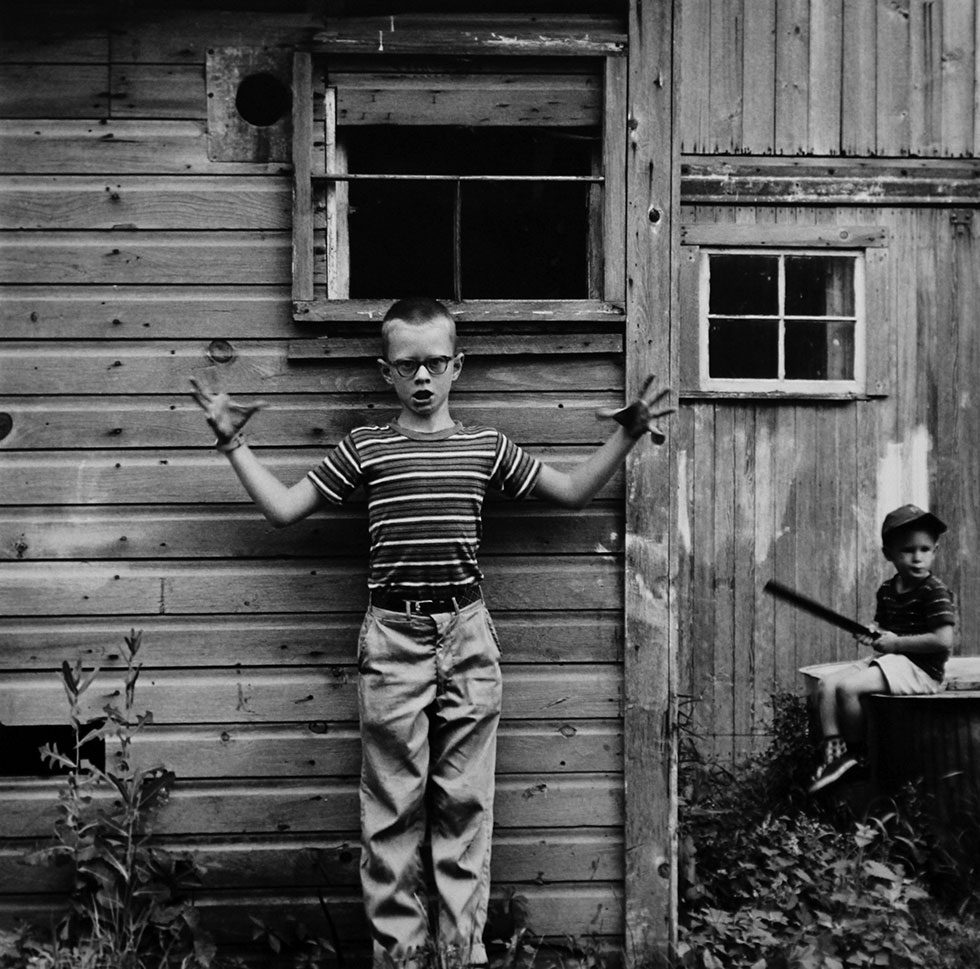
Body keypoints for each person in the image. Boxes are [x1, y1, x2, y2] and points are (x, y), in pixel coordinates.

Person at [190, 297, 673, 966]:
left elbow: (570, 493)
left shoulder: (485, 446)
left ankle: (461, 953)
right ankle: (401, 957)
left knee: (464, 808)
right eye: (408, 364)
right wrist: (233, 443)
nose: (422, 377)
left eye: (435, 363)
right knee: (391, 812)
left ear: (458, 367)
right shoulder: (366, 448)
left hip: (468, 634)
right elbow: (283, 509)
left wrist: (628, 434)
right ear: (385, 370)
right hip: (393, 637)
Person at [808, 504, 957, 794]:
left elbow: (942, 640)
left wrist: (895, 643)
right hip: (893, 660)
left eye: (925, 549)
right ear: (888, 553)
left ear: (935, 550)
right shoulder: (887, 590)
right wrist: (872, 634)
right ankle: (834, 755)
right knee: (827, 685)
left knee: (848, 689)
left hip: (921, 670)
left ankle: (858, 756)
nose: (917, 558)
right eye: (907, 550)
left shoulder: (934, 591)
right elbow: (885, 631)